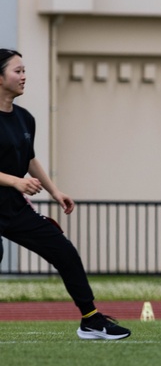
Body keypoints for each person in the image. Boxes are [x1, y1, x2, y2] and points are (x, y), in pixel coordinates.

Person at [0, 49, 131, 340]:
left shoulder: (25, 118)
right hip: (11, 195)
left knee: (64, 251)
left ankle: (91, 320)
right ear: (0, 78)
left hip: (13, 208)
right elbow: (17, 176)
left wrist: (55, 191)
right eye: (17, 71)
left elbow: (30, 158)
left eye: (24, 70)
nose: (24, 76)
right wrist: (16, 182)